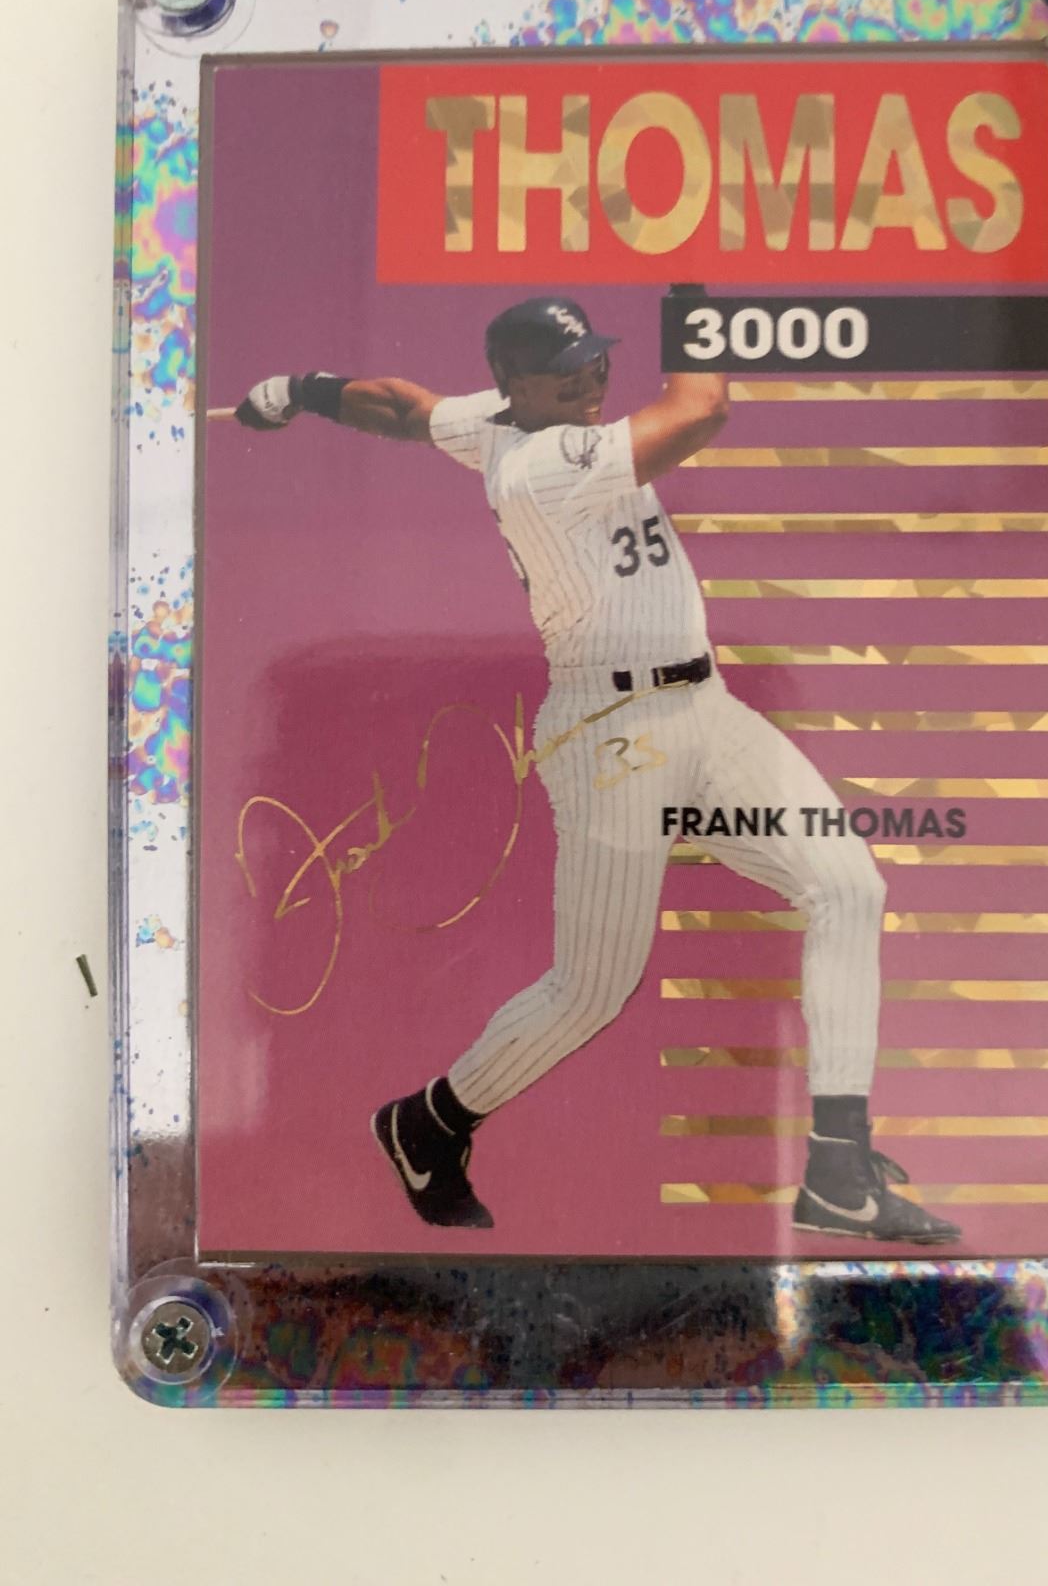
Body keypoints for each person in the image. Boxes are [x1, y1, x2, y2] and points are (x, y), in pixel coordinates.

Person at [236, 295, 960, 1246]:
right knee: (591, 990)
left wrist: (299, 390)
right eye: (565, 368)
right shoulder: (541, 464)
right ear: (515, 381)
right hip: (613, 735)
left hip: (705, 708)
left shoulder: (496, 420)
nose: (590, 378)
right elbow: (700, 409)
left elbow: (406, 408)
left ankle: (836, 1166)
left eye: (595, 358)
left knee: (848, 887)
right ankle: (429, 1121)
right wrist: (698, 299)